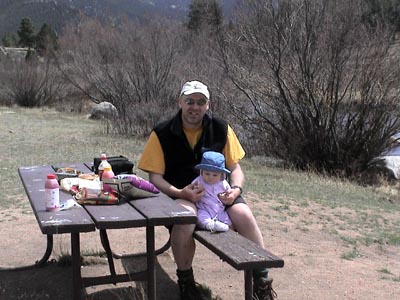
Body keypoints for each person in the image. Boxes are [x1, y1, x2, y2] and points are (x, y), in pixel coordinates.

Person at [138, 80, 275, 300]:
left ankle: (261, 281)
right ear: (180, 102)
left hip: (219, 195)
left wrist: (236, 190)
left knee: (243, 214)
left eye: (200, 102)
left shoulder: (221, 128)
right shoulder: (162, 132)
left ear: (208, 105)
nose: (195, 106)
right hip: (181, 196)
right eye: (190, 101)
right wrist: (181, 192)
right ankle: (186, 282)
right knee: (186, 218)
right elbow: (155, 178)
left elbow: (235, 168)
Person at [193, 151, 232, 232]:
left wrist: (226, 195)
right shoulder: (199, 181)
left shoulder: (223, 183)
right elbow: (191, 189)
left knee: (228, 220)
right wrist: (195, 189)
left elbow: (229, 192)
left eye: (215, 175)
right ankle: (210, 225)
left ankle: (226, 226)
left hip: (219, 208)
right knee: (200, 217)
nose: (210, 177)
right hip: (204, 207)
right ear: (201, 172)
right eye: (207, 174)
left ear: (222, 175)